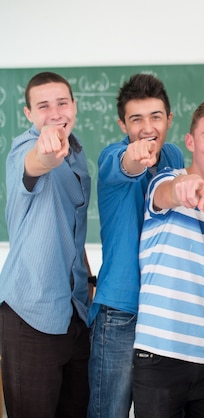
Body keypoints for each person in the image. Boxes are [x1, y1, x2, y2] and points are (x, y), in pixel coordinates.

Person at [132, 100, 204, 417]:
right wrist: (182, 186)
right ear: (190, 142)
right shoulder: (164, 182)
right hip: (159, 356)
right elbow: (167, 193)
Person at [88, 73, 184, 418]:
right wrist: (135, 155)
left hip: (163, 313)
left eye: (155, 117)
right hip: (120, 312)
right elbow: (126, 165)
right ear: (122, 124)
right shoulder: (112, 155)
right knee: (108, 412)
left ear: (169, 119)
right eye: (136, 119)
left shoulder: (173, 156)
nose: (147, 128)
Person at [0, 71, 91, 417]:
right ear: (28, 114)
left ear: (74, 105)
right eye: (43, 106)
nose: (55, 113)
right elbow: (39, 160)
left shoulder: (79, 154)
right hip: (31, 314)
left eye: (62, 103)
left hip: (75, 314)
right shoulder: (24, 148)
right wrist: (48, 150)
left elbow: (73, 230)